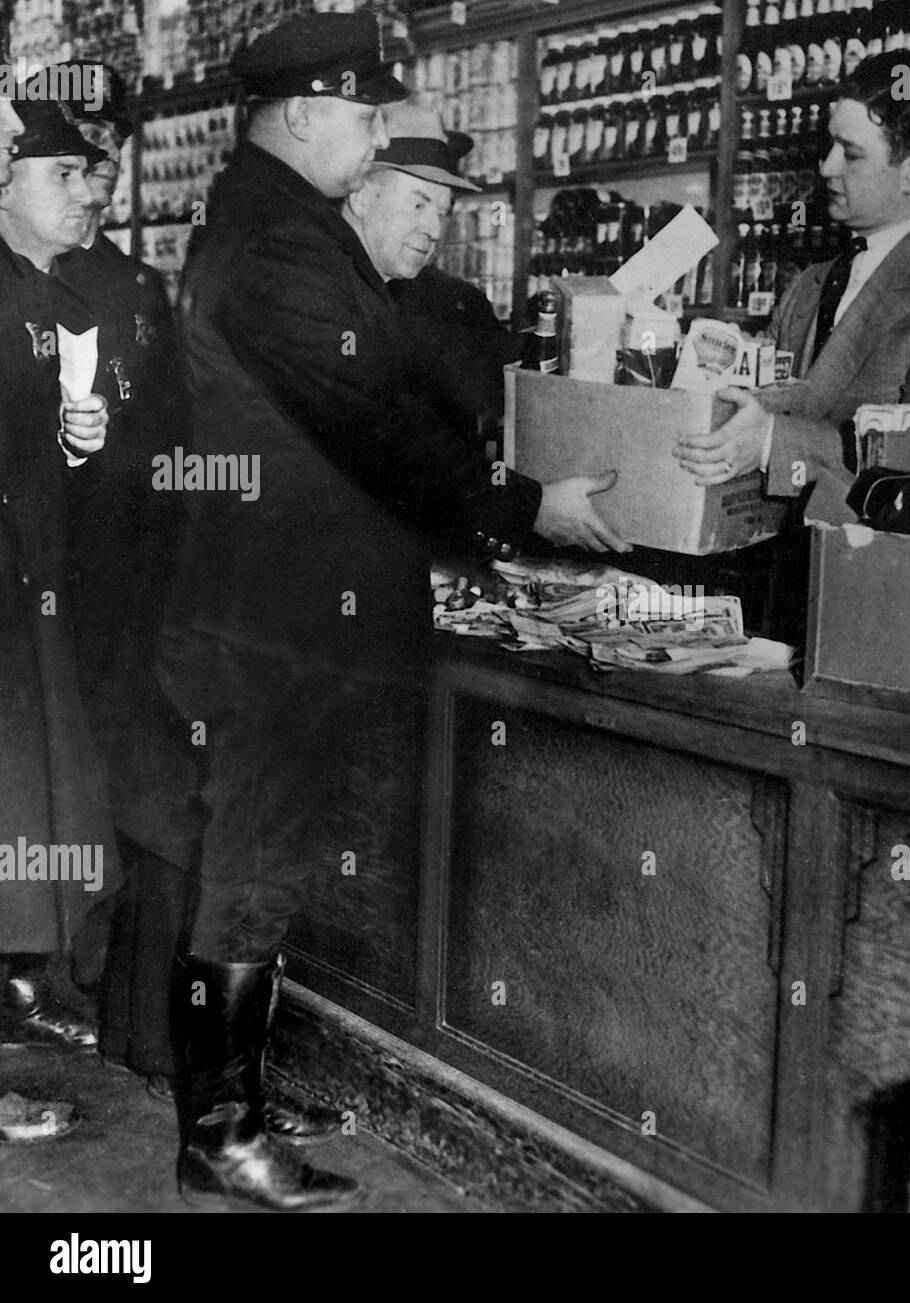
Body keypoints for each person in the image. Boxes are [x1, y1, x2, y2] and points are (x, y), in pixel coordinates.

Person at [159, 13, 626, 1213]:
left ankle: (242, 1093)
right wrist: (521, 506)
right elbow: (370, 415)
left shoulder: (287, 228)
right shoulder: (272, 245)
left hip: (286, 611)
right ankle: (219, 1135)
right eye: (367, 119)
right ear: (303, 113)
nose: (377, 147)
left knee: (262, 866)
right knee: (248, 874)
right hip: (272, 619)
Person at [48, 63, 205, 1098]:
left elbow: (176, 441)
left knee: (155, 806)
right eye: (76, 157)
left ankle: (138, 1024)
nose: (100, 177)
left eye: (111, 156)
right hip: (36, 600)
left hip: (129, 596)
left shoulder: (137, 290)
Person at [675, 53, 910, 495]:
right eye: (831, 146)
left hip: (857, 557)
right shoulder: (810, 282)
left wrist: (773, 440)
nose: (827, 167)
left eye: (850, 154)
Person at [0, 96, 120, 1053]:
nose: (88, 195)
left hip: (41, 578)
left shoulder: (75, 298)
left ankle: (19, 978)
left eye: (91, 175)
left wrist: (85, 441)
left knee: (38, 782)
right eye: (63, 175)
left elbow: (72, 441)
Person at [380, 104, 522, 444]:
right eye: (418, 204)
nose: (433, 229)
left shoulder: (463, 302)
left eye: (444, 211)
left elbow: (502, 396)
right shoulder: (324, 287)